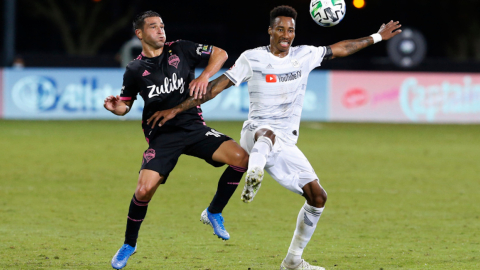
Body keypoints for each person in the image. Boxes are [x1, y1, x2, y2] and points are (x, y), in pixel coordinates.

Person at [147, 5, 402, 270]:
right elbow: (216, 87)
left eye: (290, 30)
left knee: (317, 197)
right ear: (270, 31)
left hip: (285, 142)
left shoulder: (305, 55)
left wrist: (378, 36)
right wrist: (176, 108)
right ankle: (254, 171)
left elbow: (342, 48)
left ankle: (292, 261)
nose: (286, 35)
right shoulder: (253, 58)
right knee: (265, 134)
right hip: (255, 131)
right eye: (280, 29)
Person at [104, 11, 249, 270]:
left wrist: (204, 76)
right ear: (140, 34)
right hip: (162, 136)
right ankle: (129, 244)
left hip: (193, 127)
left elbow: (222, 53)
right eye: (153, 27)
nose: (161, 31)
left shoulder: (181, 49)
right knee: (143, 190)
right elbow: (125, 106)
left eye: (162, 26)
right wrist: (117, 108)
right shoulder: (135, 69)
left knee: (241, 158)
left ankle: (214, 212)